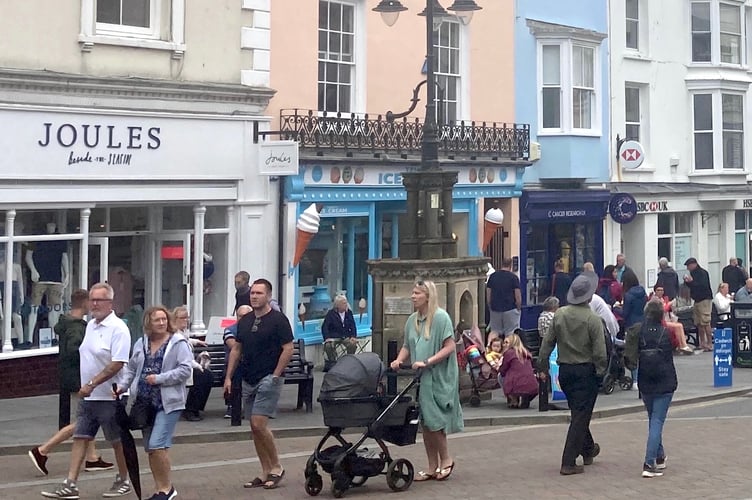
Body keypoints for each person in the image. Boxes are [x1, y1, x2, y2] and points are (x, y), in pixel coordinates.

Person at [40, 283, 131, 499]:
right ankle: (70, 483)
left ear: (110, 303)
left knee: (116, 440)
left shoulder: (119, 329)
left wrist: (92, 383)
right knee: (81, 436)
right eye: (92, 299)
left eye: (100, 300)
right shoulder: (90, 326)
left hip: (110, 396)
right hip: (89, 397)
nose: (95, 304)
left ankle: (124, 479)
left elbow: (117, 363)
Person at [29, 289, 113, 476]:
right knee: (85, 419)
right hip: (79, 379)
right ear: (84, 303)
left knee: (87, 416)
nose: (93, 305)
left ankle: (92, 459)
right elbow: (76, 351)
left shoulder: (67, 323)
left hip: (72, 377)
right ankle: (42, 450)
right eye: (91, 301)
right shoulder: (77, 328)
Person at [116, 305, 192, 500]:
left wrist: (160, 378)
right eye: (157, 320)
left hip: (168, 402)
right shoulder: (141, 343)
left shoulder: (178, 343)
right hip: (144, 402)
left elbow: (185, 370)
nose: (161, 323)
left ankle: (167, 489)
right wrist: (123, 386)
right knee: (152, 448)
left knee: (157, 444)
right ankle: (160, 489)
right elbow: (132, 369)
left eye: (164, 319)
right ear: (148, 323)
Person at [224, 279, 294, 490]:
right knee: (254, 428)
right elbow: (237, 349)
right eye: (252, 293)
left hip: (268, 377)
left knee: (259, 423)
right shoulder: (245, 321)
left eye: (259, 293)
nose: (254, 296)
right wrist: (228, 376)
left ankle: (277, 467)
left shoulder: (278, 320)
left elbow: (288, 348)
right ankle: (265, 471)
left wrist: (276, 374)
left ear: (268, 296)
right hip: (248, 377)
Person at [390, 280, 462, 482]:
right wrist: (399, 360)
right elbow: (407, 345)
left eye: (417, 293)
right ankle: (432, 465)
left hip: (438, 375)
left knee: (435, 420)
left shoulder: (440, 318)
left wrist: (428, 361)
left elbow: (450, 346)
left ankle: (446, 459)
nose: (413, 296)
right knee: (425, 423)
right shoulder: (412, 320)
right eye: (412, 293)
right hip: (421, 377)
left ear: (427, 296)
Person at [538, 271, 607, 476]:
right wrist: (600, 372)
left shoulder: (559, 314)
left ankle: (588, 449)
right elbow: (600, 353)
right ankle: (568, 461)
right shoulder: (593, 319)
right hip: (586, 371)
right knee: (580, 416)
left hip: (565, 371)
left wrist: (541, 366)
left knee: (578, 412)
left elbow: (547, 343)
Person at [624, 300, 678, 478]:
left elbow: (631, 354)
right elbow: (676, 346)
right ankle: (649, 462)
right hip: (665, 380)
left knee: (653, 418)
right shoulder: (668, 332)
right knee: (657, 421)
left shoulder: (639, 331)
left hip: (645, 380)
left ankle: (660, 456)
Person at [173, 306, 212, 422]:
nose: (185, 320)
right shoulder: (174, 335)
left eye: (187, 318)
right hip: (178, 368)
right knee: (203, 375)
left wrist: (197, 342)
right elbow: (186, 358)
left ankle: (195, 408)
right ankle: (191, 409)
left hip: (185, 366)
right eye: (182, 318)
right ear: (175, 319)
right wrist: (198, 365)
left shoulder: (182, 332)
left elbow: (186, 340)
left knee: (207, 375)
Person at [222, 305, 253, 425]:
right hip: (233, 365)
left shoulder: (257, 328)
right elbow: (235, 347)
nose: (243, 318)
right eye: (240, 316)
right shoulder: (230, 330)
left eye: (246, 316)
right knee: (234, 372)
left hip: (252, 364)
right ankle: (232, 406)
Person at [649, 286, 694, 354]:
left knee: (680, 325)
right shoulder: (654, 300)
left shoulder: (663, 299)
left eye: (662, 290)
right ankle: (683, 346)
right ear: (655, 291)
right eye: (658, 290)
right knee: (677, 326)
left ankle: (683, 345)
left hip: (666, 319)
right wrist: (668, 304)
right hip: (660, 321)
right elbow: (661, 310)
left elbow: (670, 310)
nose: (660, 292)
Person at [498, 333, 538, 409]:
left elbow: (503, 370)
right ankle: (525, 398)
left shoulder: (509, 353)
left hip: (516, 385)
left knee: (500, 376)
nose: (503, 345)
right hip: (532, 385)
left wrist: (498, 369)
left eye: (506, 342)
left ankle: (513, 399)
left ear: (512, 343)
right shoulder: (526, 353)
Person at [683, 257, 714, 351]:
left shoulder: (702, 273)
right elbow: (692, 286)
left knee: (705, 322)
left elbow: (703, 286)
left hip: (704, 299)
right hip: (696, 300)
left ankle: (709, 343)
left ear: (694, 264)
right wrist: (688, 282)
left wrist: (692, 282)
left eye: (688, 266)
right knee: (699, 323)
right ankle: (702, 343)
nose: (688, 268)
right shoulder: (692, 273)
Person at [486, 258, 522, 335]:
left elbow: (488, 295)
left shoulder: (493, 277)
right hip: (510, 309)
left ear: (501, 264)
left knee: (495, 333)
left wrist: (490, 307)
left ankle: (493, 346)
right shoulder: (513, 278)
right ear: (510, 265)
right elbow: (518, 297)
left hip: (495, 309)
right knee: (510, 334)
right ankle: (508, 347)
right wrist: (518, 309)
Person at [321, 294, 358, 364]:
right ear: (338, 305)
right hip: (334, 336)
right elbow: (324, 327)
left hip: (346, 336)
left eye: (346, 302)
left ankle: (349, 361)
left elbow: (353, 325)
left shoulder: (348, 313)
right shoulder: (331, 314)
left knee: (352, 344)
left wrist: (353, 336)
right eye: (344, 303)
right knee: (328, 346)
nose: (346, 304)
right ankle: (333, 362)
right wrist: (327, 338)